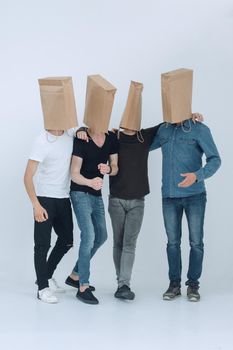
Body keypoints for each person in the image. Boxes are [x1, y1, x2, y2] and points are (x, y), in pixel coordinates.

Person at [150, 118, 221, 301]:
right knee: (172, 243)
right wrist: (121, 135)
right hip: (169, 197)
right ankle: (174, 285)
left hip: (194, 196)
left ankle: (193, 285)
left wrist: (197, 176)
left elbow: (215, 159)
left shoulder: (199, 129)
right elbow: (141, 146)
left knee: (196, 242)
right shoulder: (163, 129)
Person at [66, 128, 119, 305]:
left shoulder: (111, 138)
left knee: (102, 236)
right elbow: (74, 173)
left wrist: (109, 168)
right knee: (88, 235)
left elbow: (115, 168)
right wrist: (90, 182)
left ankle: (75, 275)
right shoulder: (82, 138)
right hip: (80, 192)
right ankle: (83, 286)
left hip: (96, 196)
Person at [24, 128, 76, 303]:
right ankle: (42, 289)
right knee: (42, 245)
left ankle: (45, 276)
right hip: (44, 198)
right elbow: (27, 177)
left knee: (67, 240)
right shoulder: (42, 140)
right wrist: (36, 205)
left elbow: (89, 131)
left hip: (63, 198)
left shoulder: (70, 135)